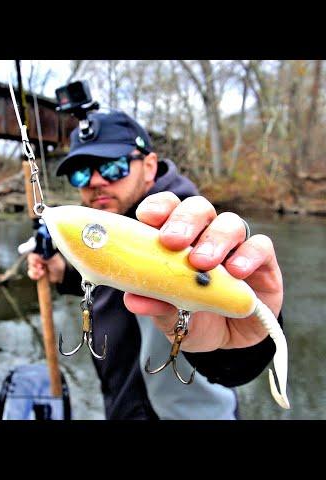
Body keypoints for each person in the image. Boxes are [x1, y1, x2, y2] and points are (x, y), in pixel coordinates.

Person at [27, 110, 284, 420]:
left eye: (111, 166)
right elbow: (118, 285)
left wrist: (245, 342)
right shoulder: (109, 237)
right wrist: (64, 273)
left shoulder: (196, 238)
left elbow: (230, 365)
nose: (94, 181)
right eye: (80, 174)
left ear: (149, 166)